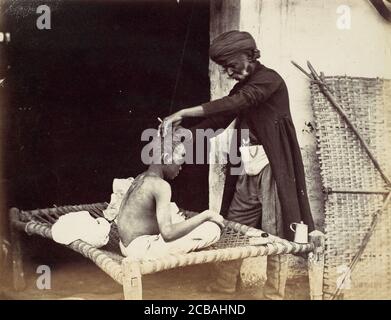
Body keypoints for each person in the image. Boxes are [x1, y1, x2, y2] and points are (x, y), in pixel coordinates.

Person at [159, 30, 323, 299]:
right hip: (247, 166)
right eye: (225, 69)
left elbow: (236, 102)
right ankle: (223, 287)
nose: (228, 73)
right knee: (233, 226)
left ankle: (273, 294)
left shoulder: (270, 80)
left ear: (249, 56)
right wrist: (185, 133)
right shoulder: (244, 87)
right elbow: (221, 116)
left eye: (231, 67)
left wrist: (183, 112)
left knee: (276, 234)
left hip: (272, 167)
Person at [117, 128, 224, 261]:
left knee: (175, 217)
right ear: (166, 157)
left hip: (125, 246)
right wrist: (206, 215)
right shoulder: (161, 185)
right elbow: (167, 234)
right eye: (181, 158)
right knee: (212, 229)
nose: (182, 166)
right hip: (143, 250)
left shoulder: (141, 177)